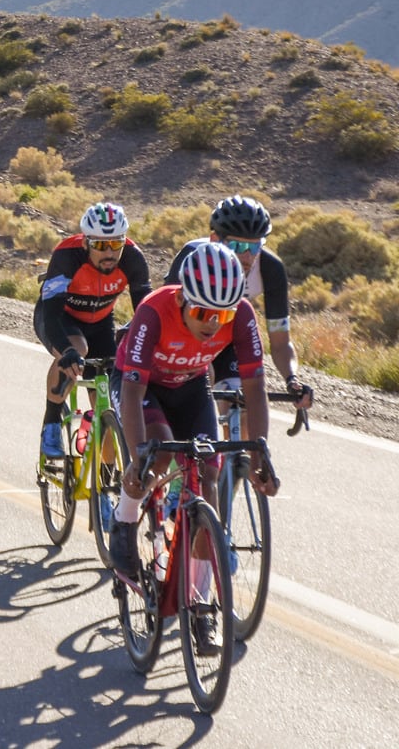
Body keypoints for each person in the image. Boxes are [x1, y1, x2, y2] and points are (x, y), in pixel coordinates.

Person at [108, 242, 278, 653]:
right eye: (203, 313)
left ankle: (201, 607)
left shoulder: (240, 316)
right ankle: (124, 517)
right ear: (183, 298)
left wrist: (260, 453)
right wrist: (136, 458)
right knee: (160, 450)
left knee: (210, 479)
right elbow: (131, 393)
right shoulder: (154, 311)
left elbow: (255, 389)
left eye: (221, 315)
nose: (212, 324)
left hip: (189, 388)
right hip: (140, 387)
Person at [166, 195, 314, 413]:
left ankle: (237, 448)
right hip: (185, 340)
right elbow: (167, 318)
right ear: (215, 240)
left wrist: (292, 379)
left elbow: (281, 341)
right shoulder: (192, 257)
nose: (246, 256)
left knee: (240, 405)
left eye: (254, 247)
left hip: (226, 339)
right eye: (237, 245)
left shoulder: (271, 269)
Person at [36, 202, 151, 458]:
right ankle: (51, 423)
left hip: (100, 323)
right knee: (77, 350)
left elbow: (147, 313)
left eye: (115, 244)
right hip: (59, 318)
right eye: (100, 245)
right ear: (86, 242)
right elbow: (52, 313)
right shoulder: (67, 255)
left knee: (109, 405)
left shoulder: (133, 258)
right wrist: (65, 350)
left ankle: (106, 485)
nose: (108, 252)